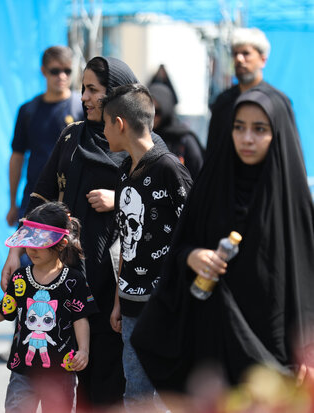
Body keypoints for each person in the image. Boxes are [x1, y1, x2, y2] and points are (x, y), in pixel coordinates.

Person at [1, 56, 166, 408]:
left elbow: (163, 204)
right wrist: (15, 252)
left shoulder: (143, 145)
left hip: (117, 282)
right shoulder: (73, 135)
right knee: (63, 376)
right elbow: (40, 198)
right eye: (83, 88)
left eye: (93, 89)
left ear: (116, 95)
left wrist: (119, 197)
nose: (85, 97)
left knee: (109, 376)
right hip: (70, 279)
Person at [130, 87, 314, 398]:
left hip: (273, 345)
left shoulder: (291, 203)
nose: (247, 139)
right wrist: (192, 256)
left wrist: (307, 349)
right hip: (214, 340)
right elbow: (181, 244)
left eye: (260, 129)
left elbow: (308, 280)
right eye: (239, 127)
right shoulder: (213, 186)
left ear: (278, 133)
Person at [0, 202, 97, 413]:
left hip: (60, 374)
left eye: (39, 242)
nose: (31, 248)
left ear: (61, 244)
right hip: (22, 373)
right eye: (28, 240)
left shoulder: (74, 281)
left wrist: (84, 351)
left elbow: (81, 318)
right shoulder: (20, 278)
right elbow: (3, 310)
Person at [102, 83, 192, 409]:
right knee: (135, 396)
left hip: (166, 306)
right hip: (130, 305)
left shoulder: (170, 169)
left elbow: (194, 236)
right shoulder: (124, 173)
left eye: (105, 123)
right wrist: (117, 301)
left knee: (171, 396)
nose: (103, 131)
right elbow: (127, 242)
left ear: (120, 124)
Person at [7, 45, 84, 227]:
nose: (62, 76)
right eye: (55, 71)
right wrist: (12, 204)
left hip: (71, 198)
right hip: (36, 197)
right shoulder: (28, 111)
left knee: (67, 253)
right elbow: (17, 157)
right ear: (44, 71)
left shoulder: (81, 109)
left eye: (67, 70)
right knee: (28, 252)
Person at [206, 27, 293, 157]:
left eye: (246, 53)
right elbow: (212, 151)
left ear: (263, 60)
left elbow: (287, 155)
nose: (239, 59)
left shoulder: (277, 102)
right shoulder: (223, 101)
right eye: (235, 54)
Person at [149, 82, 204, 178]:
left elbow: (199, 175)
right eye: (148, 112)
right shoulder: (143, 137)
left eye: (157, 112)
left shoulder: (184, 139)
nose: (152, 117)